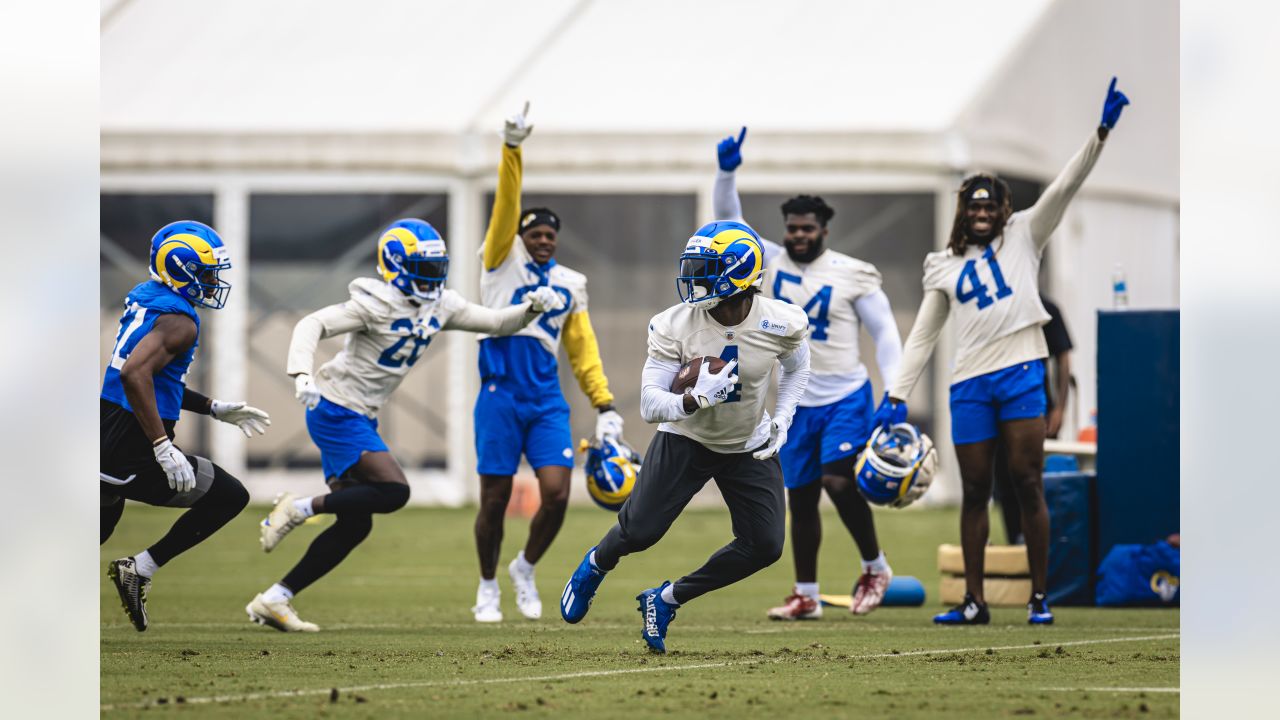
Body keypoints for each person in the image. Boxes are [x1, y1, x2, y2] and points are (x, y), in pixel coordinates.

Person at [881, 77, 1129, 626]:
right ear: (963, 212)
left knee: (1027, 482)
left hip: (1020, 374)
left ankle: (1041, 596)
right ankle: (974, 601)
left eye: (990, 205)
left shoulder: (1025, 234)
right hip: (969, 383)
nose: (983, 213)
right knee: (975, 491)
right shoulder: (942, 265)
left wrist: (1100, 133)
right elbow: (923, 333)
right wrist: (897, 393)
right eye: (974, 206)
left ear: (1004, 209)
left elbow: (1066, 185)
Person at [246, 219, 564, 632]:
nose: (433, 278)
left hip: (359, 413)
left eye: (437, 268)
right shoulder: (374, 303)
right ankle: (300, 508)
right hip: (334, 406)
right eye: (424, 268)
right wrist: (301, 375)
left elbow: (496, 323)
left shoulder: (441, 304)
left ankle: (275, 599)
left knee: (356, 522)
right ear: (396, 267)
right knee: (394, 491)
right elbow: (312, 325)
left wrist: (532, 309)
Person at [559, 221, 811, 653]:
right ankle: (595, 564)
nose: (694, 278)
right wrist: (692, 402)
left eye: (706, 268)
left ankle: (667, 598)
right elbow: (649, 403)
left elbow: (796, 367)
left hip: (747, 443)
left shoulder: (783, 321)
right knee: (639, 531)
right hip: (685, 439)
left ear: (740, 272)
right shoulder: (672, 324)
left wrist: (783, 418)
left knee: (765, 545)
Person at [712, 127, 904, 619]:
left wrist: (897, 390)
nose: (798, 236)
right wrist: (727, 171)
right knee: (800, 497)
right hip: (795, 401)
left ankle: (875, 566)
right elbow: (728, 220)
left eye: (807, 228)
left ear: (824, 230)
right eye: (792, 228)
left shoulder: (852, 272)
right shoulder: (769, 263)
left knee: (839, 482)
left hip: (845, 395)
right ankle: (807, 594)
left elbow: (885, 333)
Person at [472, 103, 627, 622]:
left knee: (558, 493)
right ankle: (488, 585)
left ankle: (525, 567)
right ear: (520, 238)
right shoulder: (499, 263)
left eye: (549, 237)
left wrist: (603, 403)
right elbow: (505, 209)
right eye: (534, 235)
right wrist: (512, 150)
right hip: (498, 396)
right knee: (493, 499)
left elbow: (582, 348)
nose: (542, 241)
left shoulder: (570, 284)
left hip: (544, 402)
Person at [102, 220, 270, 632]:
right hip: (130, 445)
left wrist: (212, 408)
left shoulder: (149, 297)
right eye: (209, 273)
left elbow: (154, 379)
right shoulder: (181, 322)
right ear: (182, 268)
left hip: (103, 427)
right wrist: (161, 444)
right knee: (229, 496)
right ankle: (140, 568)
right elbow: (134, 375)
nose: (215, 283)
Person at [993, 294, 1073, 544]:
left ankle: (1043, 546)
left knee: (1034, 482)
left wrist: (1059, 408)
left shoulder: (1045, 308)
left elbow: (1063, 358)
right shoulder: (994, 308)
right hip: (997, 409)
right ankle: (1014, 544)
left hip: (1037, 410)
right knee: (1005, 484)